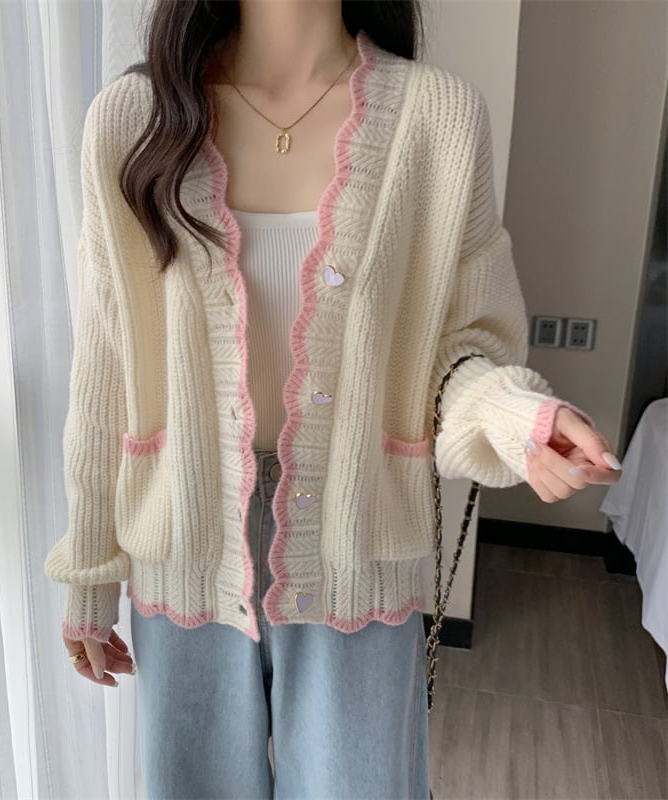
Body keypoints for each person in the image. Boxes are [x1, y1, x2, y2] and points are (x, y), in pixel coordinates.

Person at [44, 1, 623, 797]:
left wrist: (516, 416)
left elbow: (462, 349)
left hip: (358, 544)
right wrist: (88, 575)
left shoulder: (439, 119)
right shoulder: (132, 120)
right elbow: (104, 372)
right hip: (181, 544)